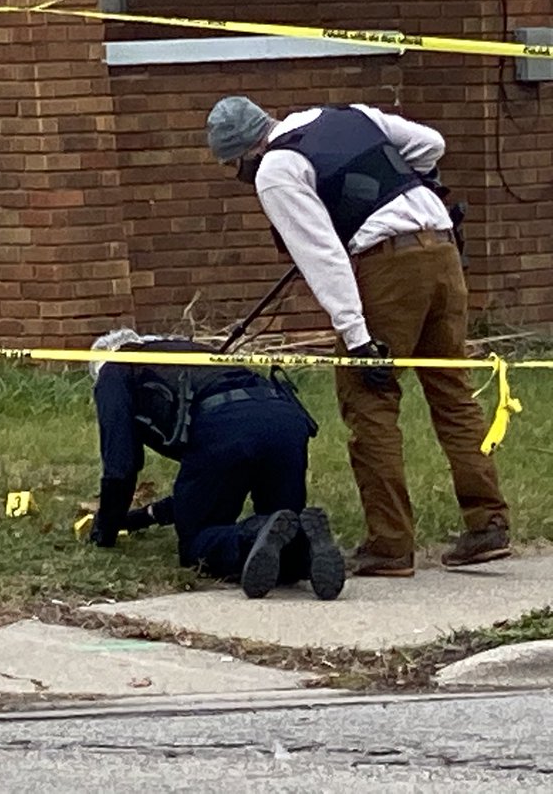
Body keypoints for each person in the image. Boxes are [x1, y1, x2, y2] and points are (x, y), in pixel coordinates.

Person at [204, 96, 511, 577]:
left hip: (387, 266)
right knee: (452, 391)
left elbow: (322, 255)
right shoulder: (349, 115)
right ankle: (488, 523)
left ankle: (389, 545)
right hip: (443, 250)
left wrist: (357, 336)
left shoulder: (276, 169)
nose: (235, 173)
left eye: (231, 165)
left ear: (246, 151)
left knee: (370, 400)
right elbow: (431, 145)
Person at [87, 329, 345, 601]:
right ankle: (307, 549)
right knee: (284, 523)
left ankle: (254, 533)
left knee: (197, 542)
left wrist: (105, 531)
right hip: (284, 419)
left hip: (223, 427)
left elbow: (120, 466)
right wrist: (141, 518)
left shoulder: (113, 369)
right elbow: (196, 494)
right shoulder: (190, 350)